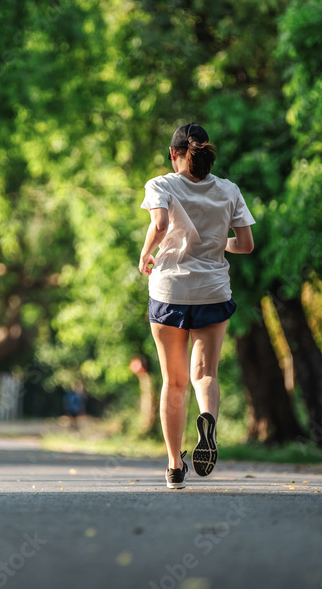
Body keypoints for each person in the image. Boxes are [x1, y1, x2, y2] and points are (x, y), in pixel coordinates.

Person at [138, 123, 255, 489]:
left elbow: (159, 223)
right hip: (212, 291)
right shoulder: (228, 190)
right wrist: (218, 245)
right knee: (205, 375)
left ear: (174, 155)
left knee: (173, 382)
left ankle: (175, 467)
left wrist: (145, 254)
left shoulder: (162, 184)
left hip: (170, 290)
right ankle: (207, 419)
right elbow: (246, 244)